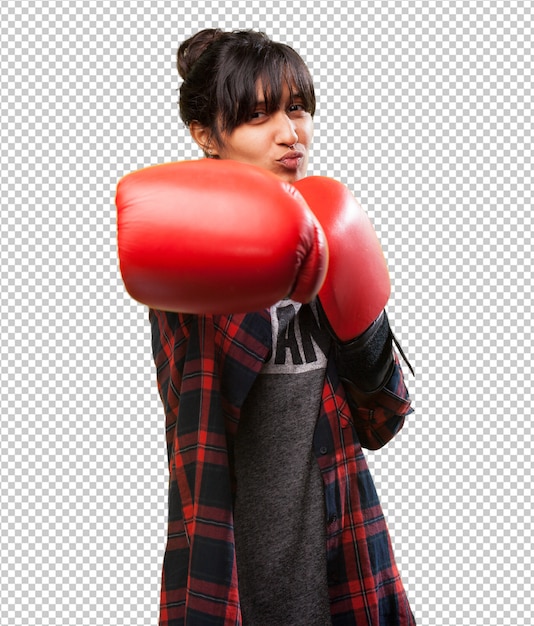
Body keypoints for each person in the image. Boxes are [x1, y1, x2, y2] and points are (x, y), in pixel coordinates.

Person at [116, 28, 416, 626]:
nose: (290, 133)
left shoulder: (324, 225)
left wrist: (360, 313)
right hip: (229, 570)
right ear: (206, 135)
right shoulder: (186, 240)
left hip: (339, 549)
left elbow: (383, 418)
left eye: (297, 108)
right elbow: (200, 393)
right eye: (258, 116)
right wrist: (280, 248)